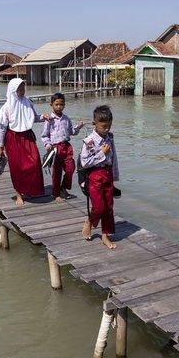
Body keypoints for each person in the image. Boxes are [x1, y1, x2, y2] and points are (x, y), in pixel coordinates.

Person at [0, 78, 50, 206]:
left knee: (34, 162)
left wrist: (44, 117)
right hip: (13, 139)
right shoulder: (6, 107)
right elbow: (2, 128)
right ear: (13, 90)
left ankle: (30, 189)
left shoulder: (28, 102)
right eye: (19, 89)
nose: (22, 91)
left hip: (28, 137)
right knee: (17, 167)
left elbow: (33, 118)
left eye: (23, 88)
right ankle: (19, 193)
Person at [80, 105, 119, 249]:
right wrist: (101, 154)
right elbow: (84, 162)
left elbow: (114, 158)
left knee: (109, 207)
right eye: (103, 126)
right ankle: (90, 221)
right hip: (94, 176)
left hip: (107, 175)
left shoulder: (110, 138)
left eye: (109, 126)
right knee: (98, 207)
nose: (106, 129)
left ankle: (105, 235)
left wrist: (114, 176)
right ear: (94, 123)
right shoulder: (89, 141)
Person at [41, 93, 84, 202]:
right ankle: (56, 194)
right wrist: (47, 144)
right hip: (55, 149)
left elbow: (72, 132)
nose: (59, 107)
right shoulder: (49, 120)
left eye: (62, 104)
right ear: (51, 104)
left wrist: (78, 127)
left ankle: (63, 187)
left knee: (71, 168)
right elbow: (45, 135)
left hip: (67, 147)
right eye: (57, 104)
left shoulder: (66, 119)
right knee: (57, 172)